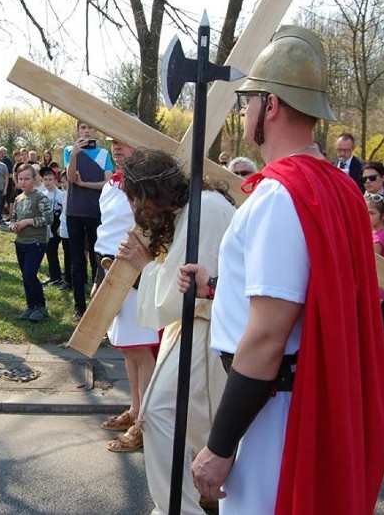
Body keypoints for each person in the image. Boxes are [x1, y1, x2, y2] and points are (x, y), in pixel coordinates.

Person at [189, 26, 384, 514]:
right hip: (301, 397)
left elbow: (267, 337)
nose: (244, 111)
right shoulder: (336, 188)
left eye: (248, 102)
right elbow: (305, 294)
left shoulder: (281, 196)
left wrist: (219, 446)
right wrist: (216, 288)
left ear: (270, 106)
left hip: (275, 414)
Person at [114, 149, 233, 512]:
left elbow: (184, 287)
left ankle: (179, 508)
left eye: (136, 198)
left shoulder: (208, 209)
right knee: (174, 416)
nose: (135, 207)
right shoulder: (193, 211)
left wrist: (145, 264)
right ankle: (189, 501)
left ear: (153, 193)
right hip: (195, 326)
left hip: (209, 327)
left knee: (160, 412)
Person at [93, 139, 160, 455]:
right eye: (113, 144)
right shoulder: (111, 184)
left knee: (142, 350)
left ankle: (147, 423)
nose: (117, 148)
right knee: (127, 349)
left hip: (134, 272)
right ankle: (135, 409)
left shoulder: (148, 186)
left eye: (124, 142)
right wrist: (99, 277)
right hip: (109, 267)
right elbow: (106, 232)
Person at [64, 121, 114, 320]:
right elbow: (70, 178)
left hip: (95, 212)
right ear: (78, 130)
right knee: (76, 261)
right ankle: (79, 307)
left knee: (97, 260)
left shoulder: (103, 154)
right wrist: (74, 155)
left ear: (96, 130)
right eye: (83, 127)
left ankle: (97, 306)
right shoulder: (69, 150)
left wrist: (85, 183)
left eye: (90, 128)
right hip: (74, 211)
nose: (86, 131)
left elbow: (107, 183)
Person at [9, 164, 52, 322]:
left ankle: (41, 307)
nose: (23, 182)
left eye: (27, 179)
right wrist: (14, 225)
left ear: (35, 180)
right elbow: (13, 218)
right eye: (20, 179)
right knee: (25, 276)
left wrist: (28, 221)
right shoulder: (18, 199)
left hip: (36, 242)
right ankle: (30, 306)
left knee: (30, 274)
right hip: (20, 242)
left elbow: (48, 218)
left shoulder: (40, 197)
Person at [40, 166, 66, 286]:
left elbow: (63, 210)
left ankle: (58, 276)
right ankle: (54, 275)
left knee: (53, 249)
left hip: (57, 222)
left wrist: (59, 226)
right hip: (47, 224)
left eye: (50, 179)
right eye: (45, 179)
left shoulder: (60, 194)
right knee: (50, 250)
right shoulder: (43, 194)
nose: (47, 182)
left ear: (56, 181)